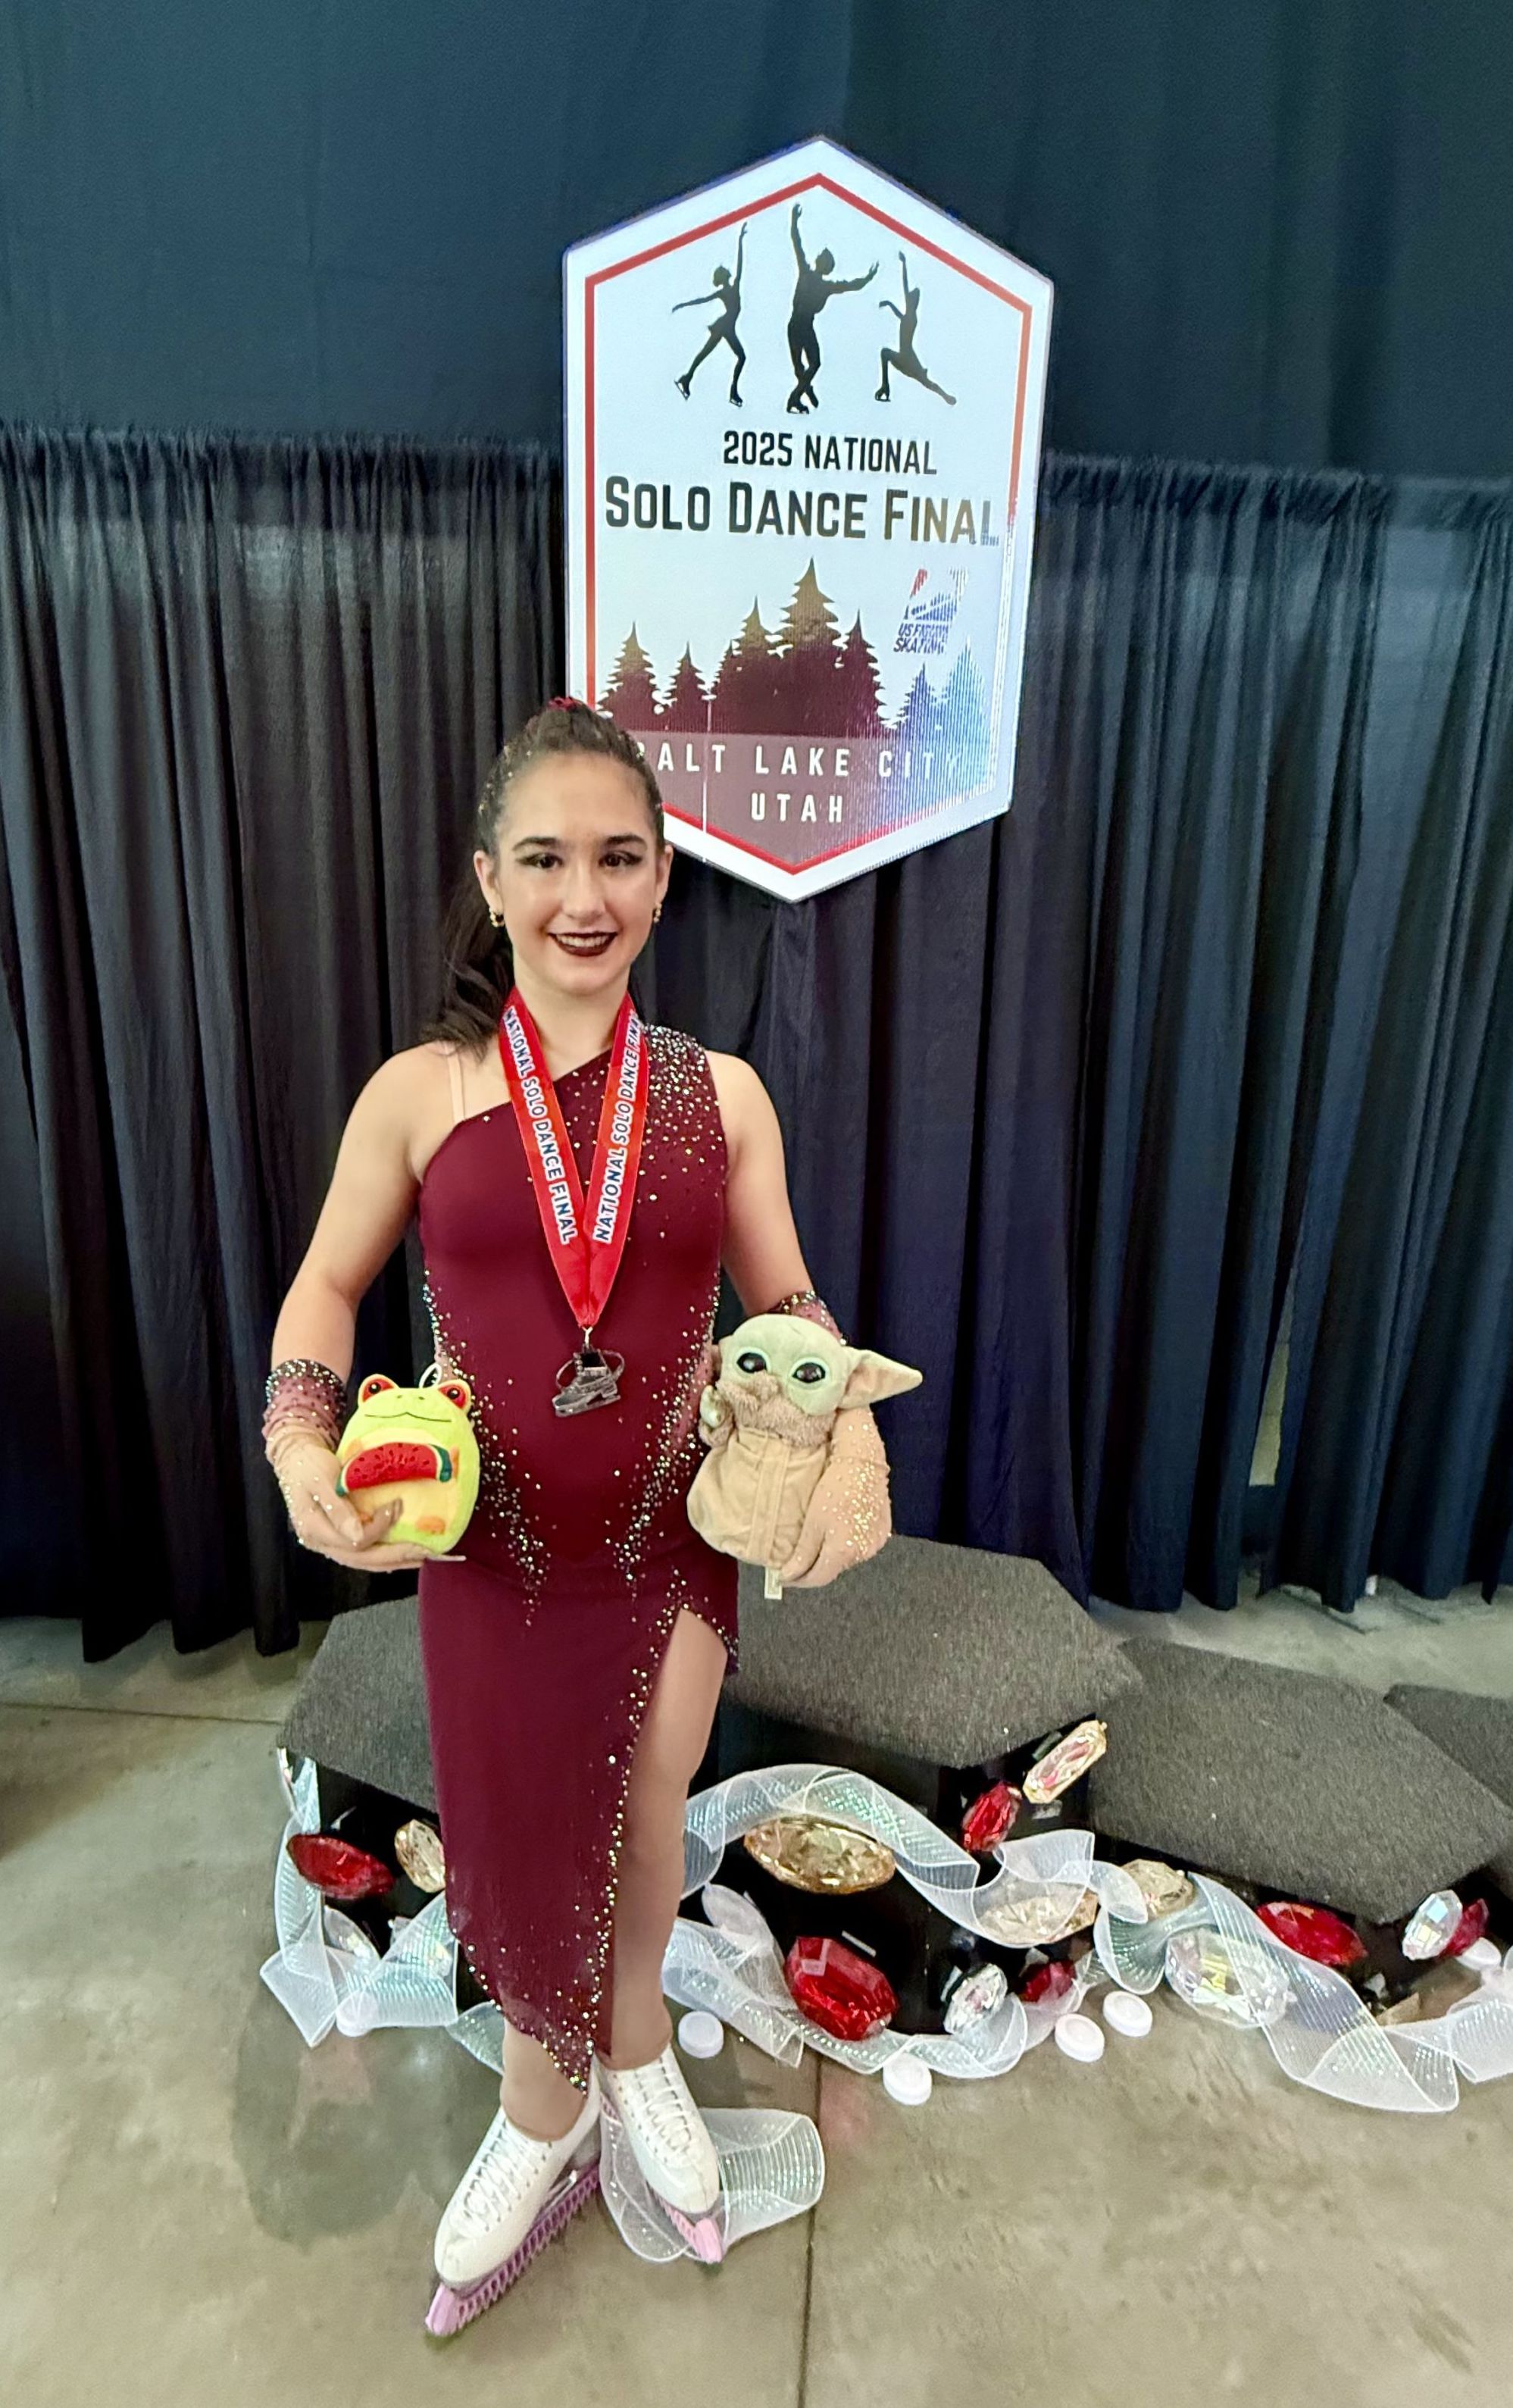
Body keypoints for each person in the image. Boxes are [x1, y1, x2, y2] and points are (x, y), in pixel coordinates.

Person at [261, 699, 898, 2306]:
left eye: (616, 855)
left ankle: (629, 2054)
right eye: (542, 857)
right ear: (490, 879)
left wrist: (845, 1436)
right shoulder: (421, 1091)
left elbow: (792, 1309)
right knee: (510, 1821)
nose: (580, 895)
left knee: (641, 1805)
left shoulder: (724, 1096)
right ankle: (536, 2109)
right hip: (489, 1545)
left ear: (664, 876)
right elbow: (325, 1287)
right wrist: (296, 1440)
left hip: (663, 1543)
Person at [786, 202, 877, 414]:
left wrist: (868, 278)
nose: (821, 261)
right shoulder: (806, 273)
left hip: (806, 326)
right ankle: (801, 394)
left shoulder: (826, 286)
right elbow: (796, 244)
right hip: (796, 325)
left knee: (815, 363)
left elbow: (851, 286)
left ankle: (797, 395)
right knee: (800, 366)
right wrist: (794, 221)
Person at [673, 223, 747, 405]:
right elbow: (702, 300)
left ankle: (688, 378)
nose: (730, 271)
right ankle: (731, 391)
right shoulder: (725, 292)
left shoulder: (734, 285)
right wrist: (682, 305)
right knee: (721, 354)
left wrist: (740, 240)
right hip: (724, 327)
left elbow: (740, 264)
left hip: (727, 327)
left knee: (716, 354)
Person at [876, 251, 956, 405]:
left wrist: (904, 264)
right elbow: (899, 312)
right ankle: (885, 385)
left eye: (910, 297)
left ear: (913, 302)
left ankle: (946, 396)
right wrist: (888, 304)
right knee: (885, 353)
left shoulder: (911, 317)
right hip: (904, 355)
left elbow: (904, 285)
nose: (907, 297)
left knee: (925, 381)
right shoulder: (907, 316)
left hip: (908, 357)